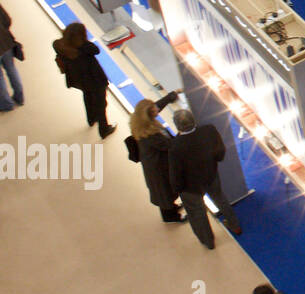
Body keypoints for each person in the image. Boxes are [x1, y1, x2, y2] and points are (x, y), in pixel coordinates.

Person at [168, 107, 241, 249]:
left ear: (177, 126)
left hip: (190, 187)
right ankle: (235, 225)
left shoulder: (175, 147)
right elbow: (220, 152)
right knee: (221, 199)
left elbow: (175, 172)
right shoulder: (209, 130)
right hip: (210, 176)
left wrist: (177, 188)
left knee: (197, 214)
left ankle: (208, 241)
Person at [127, 92, 182, 222]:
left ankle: (171, 208)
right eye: (154, 110)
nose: (157, 109)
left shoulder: (140, 123)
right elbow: (169, 145)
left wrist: (170, 96)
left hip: (156, 166)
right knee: (165, 193)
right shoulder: (150, 135)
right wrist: (184, 131)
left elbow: (156, 106)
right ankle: (171, 216)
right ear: (150, 116)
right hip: (159, 168)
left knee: (164, 193)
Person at [53, 22, 115, 139]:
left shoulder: (58, 44)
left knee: (87, 97)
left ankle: (91, 119)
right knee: (101, 104)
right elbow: (96, 50)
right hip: (95, 80)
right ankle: (104, 129)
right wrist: (83, 42)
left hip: (78, 80)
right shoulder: (85, 48)